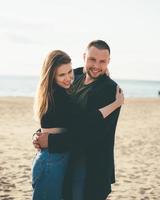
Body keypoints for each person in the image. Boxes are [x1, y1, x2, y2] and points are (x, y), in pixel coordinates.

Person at [32, 49, 124, 200]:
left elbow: (64, 123)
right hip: (52, 161)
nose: (68, 78)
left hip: (66, 161)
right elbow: (84, 122)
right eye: (62, 75)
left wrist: (98, 69)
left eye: (70, 72)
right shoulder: (60, 95)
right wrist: (115, 104)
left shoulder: (55, 89)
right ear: (52, 76)